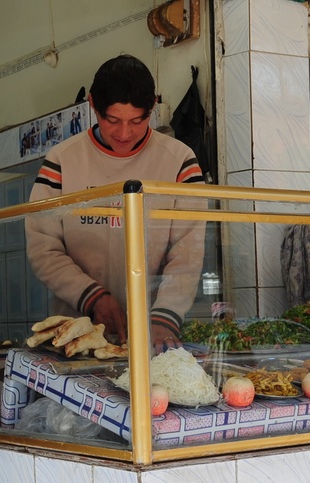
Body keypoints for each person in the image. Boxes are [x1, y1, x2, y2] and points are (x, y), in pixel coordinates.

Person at [25, 54, 207, 351]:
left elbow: (187, 251)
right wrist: (93, 296)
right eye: (113, 120)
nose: (124, 133)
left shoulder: (179, 161)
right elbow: (43, 248)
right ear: (93, 105)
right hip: (77, 333)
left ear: (153, 107)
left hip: (154, 333)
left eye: (137, 120)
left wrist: (165, 316)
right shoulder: (62, 161)